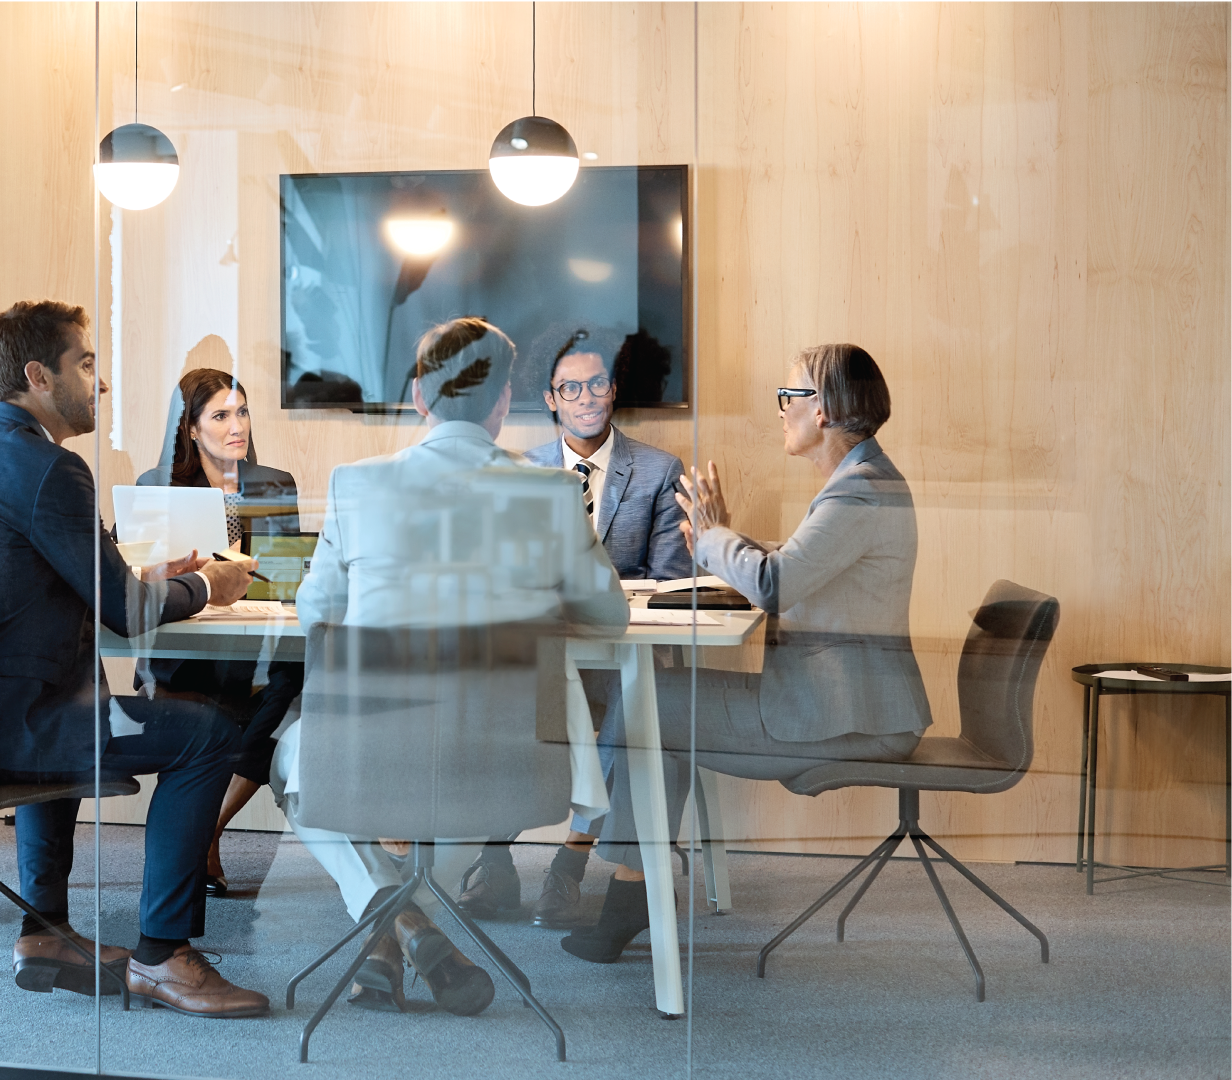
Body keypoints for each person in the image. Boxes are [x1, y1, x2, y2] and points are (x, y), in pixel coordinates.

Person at [0, 300, 270, 1018]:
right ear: (40, 376)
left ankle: (44, 934)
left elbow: (62, 581)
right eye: (87, 364)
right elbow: (126, 618)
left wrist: (158, 578)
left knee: (75, 690)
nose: (100, 384)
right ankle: (164, 956)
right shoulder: (50, 469)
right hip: (9, 730)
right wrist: (209, 584)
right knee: (212, 732)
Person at [281, 317, 629, 1015]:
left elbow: (317, 612)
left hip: (374, 749)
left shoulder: (355, 485)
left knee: (290, 764)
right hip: (508, 762)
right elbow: (608, 618)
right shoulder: (549, 492)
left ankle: (391, 921)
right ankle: (409, 929)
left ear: (418, 397)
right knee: (400, 775)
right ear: (505, 403)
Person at [566, 342, 931, 964]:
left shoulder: (859, 491)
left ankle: (625, 890)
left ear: (825, 409)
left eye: (789, 396)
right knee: (654, 703)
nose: (781, 410)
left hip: (840, 719)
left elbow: (776, 582)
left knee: (647, 708)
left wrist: (714, 541)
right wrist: (722, 540)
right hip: (840, 706)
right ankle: (632, 888)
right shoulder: (862, 482)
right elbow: (799, 565)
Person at [458, 325, 694, 927]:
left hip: (622, 649)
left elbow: (669, 581)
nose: (586, 397)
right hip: (542, 650)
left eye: (597, 384)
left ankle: (570, 864)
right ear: (552, 400)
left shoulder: (658, 471)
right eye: (572, 388)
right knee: (493, 695)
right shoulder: (516, 470)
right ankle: (494, 859)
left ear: (613, 391)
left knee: (632, 704)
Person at [135, 368, 301, 898]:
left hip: (254, 637)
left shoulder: (274, 483)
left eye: (243, 412)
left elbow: (287, 576)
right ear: (190, 427)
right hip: (184, 642)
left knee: (290, 675)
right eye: (221, 415)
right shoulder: (157, 486)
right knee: (213, 696)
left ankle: (208, 828)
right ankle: (198, 836)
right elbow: (142, 579)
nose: (238, 426)